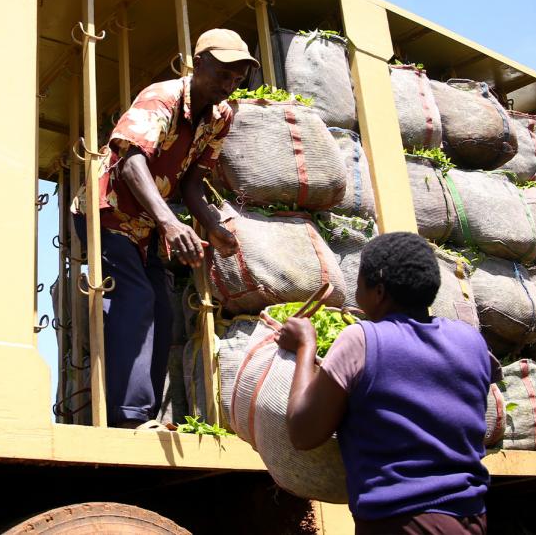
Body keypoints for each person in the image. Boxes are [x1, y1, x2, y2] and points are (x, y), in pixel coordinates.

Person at [73, 28, 257, 428]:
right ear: (199, 62)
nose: (228, 86)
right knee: (134, 298)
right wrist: (170, 222)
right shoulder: (163, 97)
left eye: (237, 79)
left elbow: (192, 181)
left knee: (162, 309)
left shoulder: (221, 117)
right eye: (223, 74)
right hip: (108, 211)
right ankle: (128, 417)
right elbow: (130, 161)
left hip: (148, 223)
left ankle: (145, 414)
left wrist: (211, 224)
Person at [277, 232, 496, 534]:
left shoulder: (361, 341)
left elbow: (303, 433)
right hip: (470, 519)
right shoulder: (471, 342)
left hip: (401, 522)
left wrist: (305, 347)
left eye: (359, 283)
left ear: (378, 292)